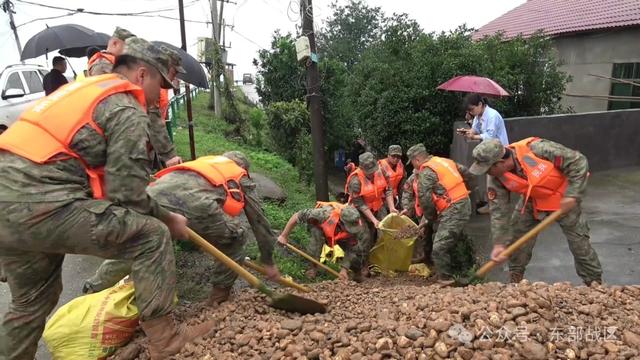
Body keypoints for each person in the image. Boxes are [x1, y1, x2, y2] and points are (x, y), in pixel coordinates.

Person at [0, 37, 211, 360]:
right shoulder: (125, 105)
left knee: (31, 300)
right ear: (142, 75)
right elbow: (126, 192)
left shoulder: (86, 89)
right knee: (151, 236)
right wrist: (168, 218)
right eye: (161, 84)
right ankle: (166, 340)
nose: (160, 95)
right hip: (43, 201)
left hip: (7, 203)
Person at [84, 152, 282, 306]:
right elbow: (260, 223)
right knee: (237, 238)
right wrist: (268, 261)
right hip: (194, 205)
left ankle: (94, 287)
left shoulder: (203, 163)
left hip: (149, 196)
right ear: (243, 167)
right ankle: (219, 298)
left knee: (139, 243)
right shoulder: (239, 175)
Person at [469, 138, 603, 285]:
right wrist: (499, 243)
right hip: (533, 200)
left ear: (501, 162)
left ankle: (594, 283)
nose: (487, 173)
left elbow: (578, 161)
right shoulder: (496, 178)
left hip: (563, 198)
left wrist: (573, 194)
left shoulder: (538, 150)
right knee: (517, 237)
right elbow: (498, 211)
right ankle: (516, 278)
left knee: (579, 244)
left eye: (488, 168)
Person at [406, 144, 474, 280]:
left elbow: (425, 199)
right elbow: (467, 173)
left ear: (417, 160)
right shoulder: (444, 161)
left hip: (453, 208)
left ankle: (447, 279)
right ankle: (463, 269)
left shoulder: (426, 172)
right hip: (461, 203)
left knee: (439, 247)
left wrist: (430, 218)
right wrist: (463, 191)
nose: (413, 166)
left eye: (412, 162)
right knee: (445, 236)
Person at [277, 202, 370, 282]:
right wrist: (284, 236)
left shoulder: (360, 228)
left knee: (359, 250)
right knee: (316, 235)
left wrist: (344, 269)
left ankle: (356, 273)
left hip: (341, 237)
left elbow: (352, 250)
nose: (352, 230)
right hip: (322, 229)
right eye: (349, 228)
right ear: (341, 222)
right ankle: (313, 268)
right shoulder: (323, 214)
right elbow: (297, 215)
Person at [148, 46, 184, 169]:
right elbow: (152, 118)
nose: (175, 77)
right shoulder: (151, 87)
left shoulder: (161, 88)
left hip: (151, 145)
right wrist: (169, 155)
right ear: (165, 67)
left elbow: (159, 116)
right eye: (175, 72)